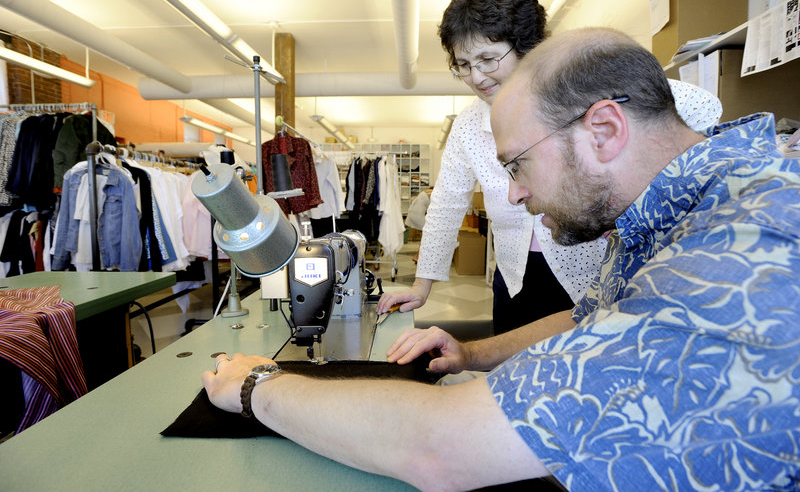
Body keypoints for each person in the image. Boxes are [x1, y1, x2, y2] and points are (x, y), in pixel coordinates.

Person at [203, 28, 800, 491]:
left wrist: (257, 383)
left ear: (604, 129)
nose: (511, 194)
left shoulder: (738, 252)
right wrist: (474, 353)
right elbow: (590, 317)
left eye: (518, 165)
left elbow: (439, 447)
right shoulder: (681, 208)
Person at [376, 0, 722, 336]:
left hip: (594, 273)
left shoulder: (577, 88)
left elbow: (701, 108)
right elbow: (447, 203)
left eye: (488, 59)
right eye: (463, 64)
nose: (476, 77)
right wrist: (422, 284)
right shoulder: (468, 126)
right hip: (515, 276)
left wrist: (642, 207)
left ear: (526, 46)